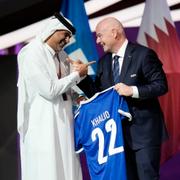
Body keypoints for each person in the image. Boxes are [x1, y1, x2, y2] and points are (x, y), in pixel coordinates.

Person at [77, 17, 168, 180]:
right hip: (117, 139)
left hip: (143, 135)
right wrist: (83, 77)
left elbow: (161, 85)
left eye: (100, 35)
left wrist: (132, 90)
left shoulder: (144, 54)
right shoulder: (104, 62)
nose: (98, 41)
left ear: (114, 33)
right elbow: (99, 95)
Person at [17, 12, 90, 180]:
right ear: (53, 30)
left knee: (67, 167)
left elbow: (65, 88)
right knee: (47, 169)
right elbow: (49, 90)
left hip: (64, 121)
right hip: (42, 124)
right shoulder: (31, 53)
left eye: (69, 37)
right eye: (65, 35)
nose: (67, 41)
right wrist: (77, 75)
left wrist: (77, 97)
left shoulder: (63, 56)